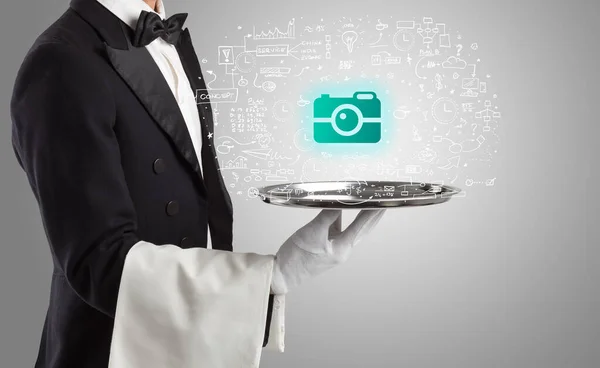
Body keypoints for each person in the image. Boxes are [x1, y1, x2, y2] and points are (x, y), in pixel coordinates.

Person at [10, 0, 387, 367]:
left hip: (191, 344)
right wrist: (270, 276)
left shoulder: (170, 41)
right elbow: (98, 261)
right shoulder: (60, 61)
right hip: (110, 352)